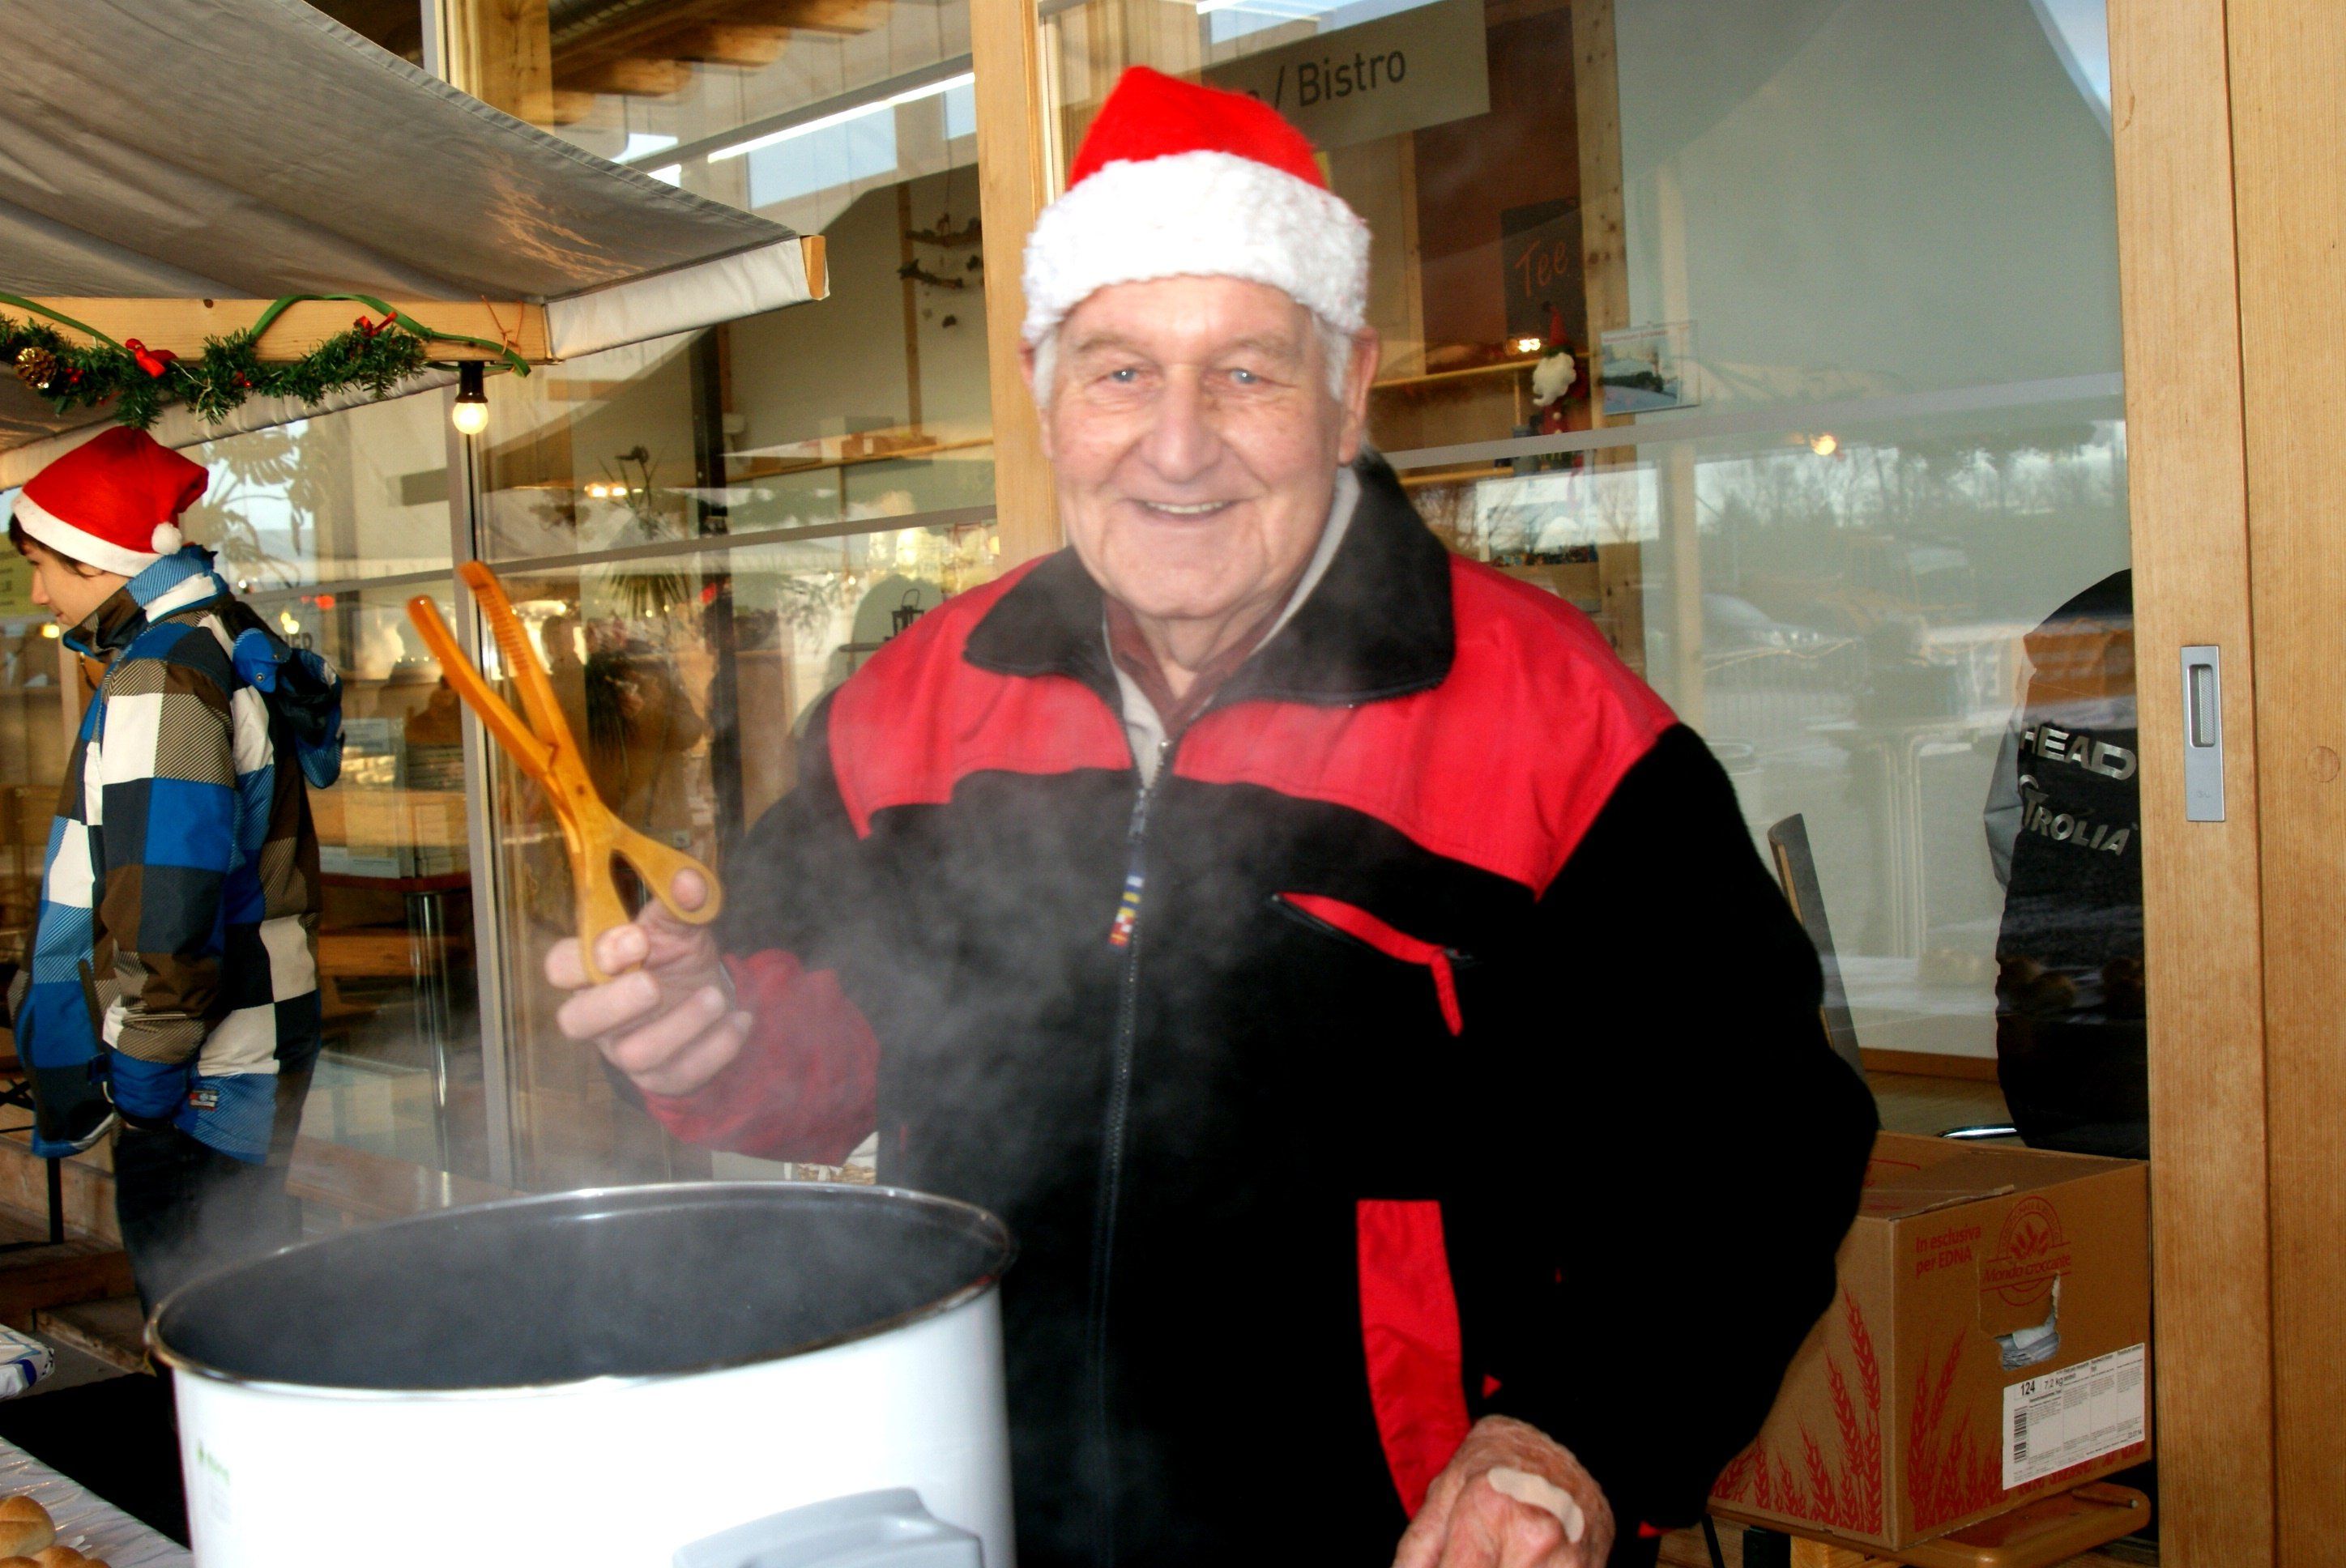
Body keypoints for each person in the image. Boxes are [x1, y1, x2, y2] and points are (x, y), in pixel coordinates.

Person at [548, 69, 1876, 1568]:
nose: (1177, 448)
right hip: (983, 1515)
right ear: (1046, 394)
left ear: (1348, 388)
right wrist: (711, 1038)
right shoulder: (909, 707)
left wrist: (1573, 1436)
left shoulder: (1556, 723)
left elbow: (1760, 1147)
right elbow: (825, 1050)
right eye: (1120, 372)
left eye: (1246, 373)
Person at [6, 427, 341, 1310]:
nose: (38, 592)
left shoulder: (162, 672)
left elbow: (168, 896)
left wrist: (146, 1074)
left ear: (95, 556)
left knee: (200, 1324)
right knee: (245, 1304)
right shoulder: (224, 636)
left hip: (201, 1071)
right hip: (256, 1036)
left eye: (43, 565)